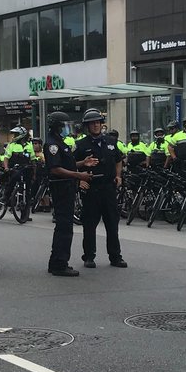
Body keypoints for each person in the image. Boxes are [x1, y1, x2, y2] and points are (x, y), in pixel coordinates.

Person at [76, 109, 126, 269]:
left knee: (112, 224)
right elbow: (71, 165)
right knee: (89, 225)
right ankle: (89, 257)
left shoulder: (111, 141)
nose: (96, 125)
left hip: (108, 188)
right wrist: (79, 179)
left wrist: (118, 176)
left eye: (98, 122)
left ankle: (115, 257)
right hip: (91, 189)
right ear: (87, 126)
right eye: (92, 123)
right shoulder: (81, 145)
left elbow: (118, 160)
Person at [45, 112, 91, 277]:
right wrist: (79, 175)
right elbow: (56, 169)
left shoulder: (61, 142)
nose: (67, 129)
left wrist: (83, 163)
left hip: (67, 188)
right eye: (64, 126)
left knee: (64, 226)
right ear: (57, 126)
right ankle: (59, 264)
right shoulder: (52, 144)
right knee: (64, 227)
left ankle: (56, 262)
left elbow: (67, 164)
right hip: (61, 189)